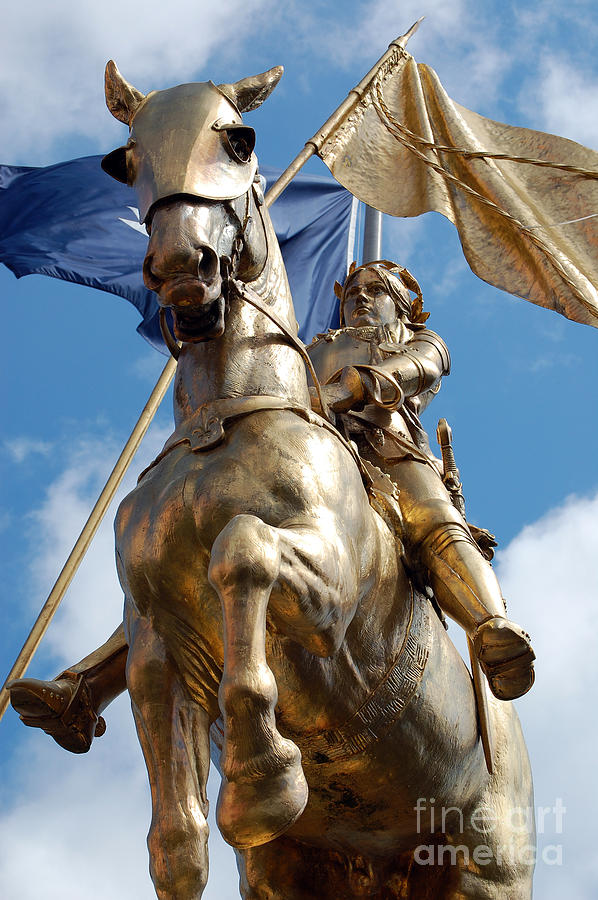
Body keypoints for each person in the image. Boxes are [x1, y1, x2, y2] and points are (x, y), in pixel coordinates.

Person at [8, 260, 534, 753]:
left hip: (383, 446)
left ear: (403, 307)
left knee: (434, 523)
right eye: (354, 294)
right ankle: (87, 690)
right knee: (193, 566)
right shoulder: (314, 346)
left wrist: (355, 385)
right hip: (306, 453)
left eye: (377, 293)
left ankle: (491, 628)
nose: (361, 301)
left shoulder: (423, 340)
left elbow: (418, 368)